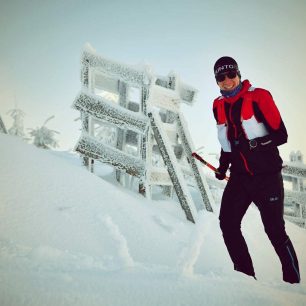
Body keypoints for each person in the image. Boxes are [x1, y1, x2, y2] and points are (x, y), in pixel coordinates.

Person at [212, 56, 300, 284]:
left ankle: (293, 283)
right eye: (221, 77)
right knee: (227, 224)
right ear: (217, 81)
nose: (227, 81)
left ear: (239, 74)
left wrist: (255, 144)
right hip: (240, 179)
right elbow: (228, 143)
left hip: (267, 177)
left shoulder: (259, 96)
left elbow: (281, 134)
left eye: (231, 75)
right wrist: (222, 167)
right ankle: (245, 280)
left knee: (275, 232)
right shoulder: (218, 105)